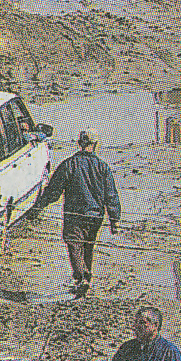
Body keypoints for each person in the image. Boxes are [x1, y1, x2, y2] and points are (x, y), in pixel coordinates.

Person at [33, 128, 120, 298]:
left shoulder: (69, 164)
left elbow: (53, 191)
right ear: (95, 145)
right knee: (88, 246)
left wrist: (38, 206)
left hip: (74, 215)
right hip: (95, 216)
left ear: (80, 143)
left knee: (74, 244)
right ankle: (85, 278)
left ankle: (81, 277)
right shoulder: (103, 167)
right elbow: (111, 195)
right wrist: (114, 220)